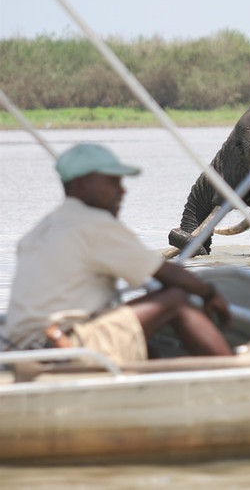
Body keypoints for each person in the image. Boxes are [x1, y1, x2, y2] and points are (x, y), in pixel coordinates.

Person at [4, 143, 234, 362]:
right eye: (112, 182)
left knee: (144, 338)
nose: (122, 190)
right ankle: (236, 374)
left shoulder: (42, 228)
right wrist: (209, 293)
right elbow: (166, 274)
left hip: (21, 346)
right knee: (175, 299)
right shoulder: (93, 222)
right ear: (81, 185)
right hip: (60, 346)